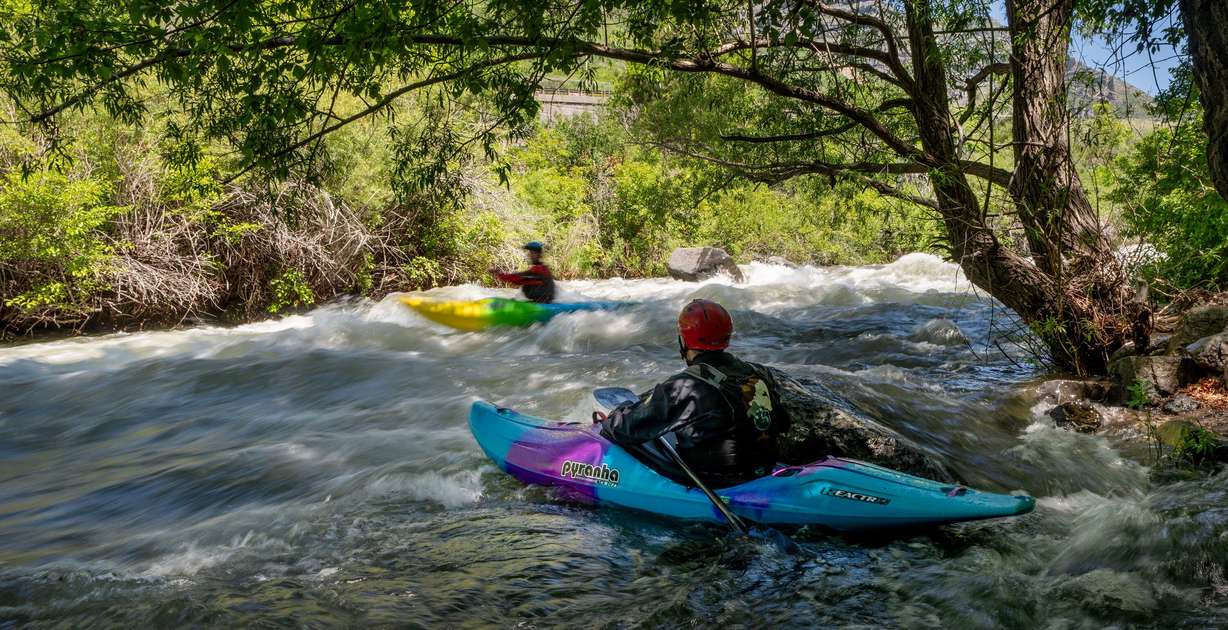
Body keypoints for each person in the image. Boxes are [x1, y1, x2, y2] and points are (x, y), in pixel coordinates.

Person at [596, 299, 789, 488]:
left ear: (684, 340)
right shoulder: (758, 373)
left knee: (638, 439)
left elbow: (624, 429)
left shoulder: (687, 385)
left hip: (719, 480)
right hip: (762, 470)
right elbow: (784, 422)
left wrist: (613, 418)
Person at [489, 241, 556, 304]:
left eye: (533, 253)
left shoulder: (539, 269)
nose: (530, 255)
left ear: (539, 255)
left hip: (542, 302)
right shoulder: (542, 268)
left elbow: (518, 278)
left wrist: (498, 273)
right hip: (541, 301)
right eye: (530, 253)